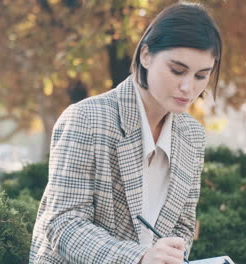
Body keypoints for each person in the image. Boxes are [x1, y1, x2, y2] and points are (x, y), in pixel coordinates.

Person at [30, 2, 222, 263]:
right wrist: (139, 258)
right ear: (145, 55)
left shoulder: (192, 136)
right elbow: (63, 224)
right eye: (177, 70)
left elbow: (183, 228)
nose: (188, 87)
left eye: (201, 76)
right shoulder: (86, 119)